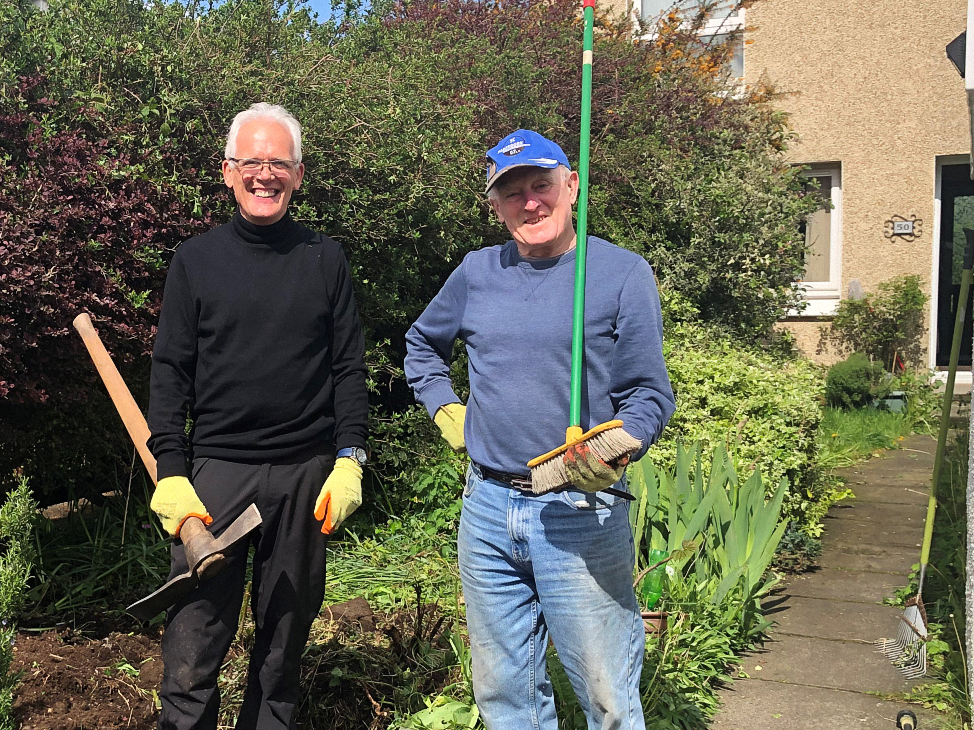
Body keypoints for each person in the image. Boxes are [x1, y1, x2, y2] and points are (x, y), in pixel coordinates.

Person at [403, 129, 676, 730]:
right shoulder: (477, 273)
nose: (530, 203)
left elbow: (650, 392)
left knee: (607, 697)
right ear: (495, 206)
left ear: (571, 185)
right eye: (512, 192)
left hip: (580, 505)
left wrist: (625, 441)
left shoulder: (620, 274)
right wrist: (445, 407)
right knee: (505, 696)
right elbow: (421, 345)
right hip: (487, 509)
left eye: (541, 185)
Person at [145, 102, 371, 730]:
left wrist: (350, 459)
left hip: (306, 473)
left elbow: (349, 368)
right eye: (252, 162)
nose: (264, 174)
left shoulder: (325, 261)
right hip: (218, 475)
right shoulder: (196, 260)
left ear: (298, 175)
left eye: (279, 163)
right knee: (194, 637)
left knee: (283, 643)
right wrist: (171, 470)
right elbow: (171, 372)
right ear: (227, 171)